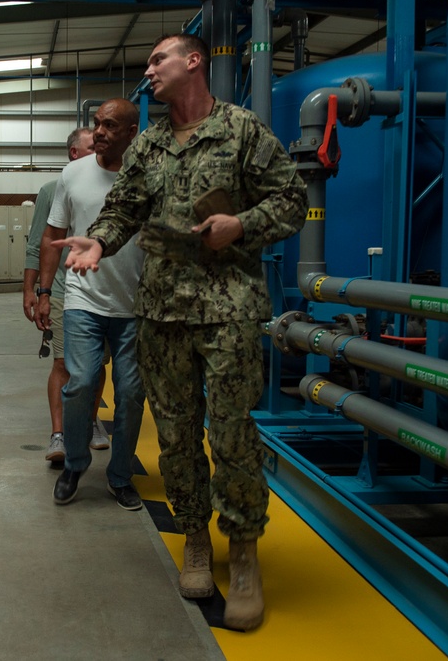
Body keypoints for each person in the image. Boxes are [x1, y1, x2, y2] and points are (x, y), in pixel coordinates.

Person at [53, 35, 307, 630]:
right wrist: (100, 240)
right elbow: (125, 207)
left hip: (228, 309)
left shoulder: (241, 130)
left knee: (233, 434)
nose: (149, 71)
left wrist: (241, 224)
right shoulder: (149, 144)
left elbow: (292, 199)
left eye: (157, 60)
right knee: (175, 436)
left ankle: (242, 552)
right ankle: (195, 537)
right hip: (162, 312)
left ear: (193, 62)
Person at [36, 98, 146, 511]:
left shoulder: (147, 175)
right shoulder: (73, 173)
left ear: (131, 133)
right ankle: (75, 464)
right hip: (82, 297)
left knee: (131, 392)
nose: (99, 132)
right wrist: (45, 292)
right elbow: (53, 235)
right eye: (97, 123)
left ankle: (120, 475)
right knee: (81, 381)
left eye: (110, 125)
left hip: (135, 303)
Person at [22, 128, 110, 462]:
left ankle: (90, 421)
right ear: (74, 153)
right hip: (61, 288)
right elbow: (38, 244)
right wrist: (32, 291)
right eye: (92, 146)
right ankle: (58, 434)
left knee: (97, 364)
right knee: (62, 362)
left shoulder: (113, 185)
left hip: (102, 292)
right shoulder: (52, 189)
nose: (100, 148)